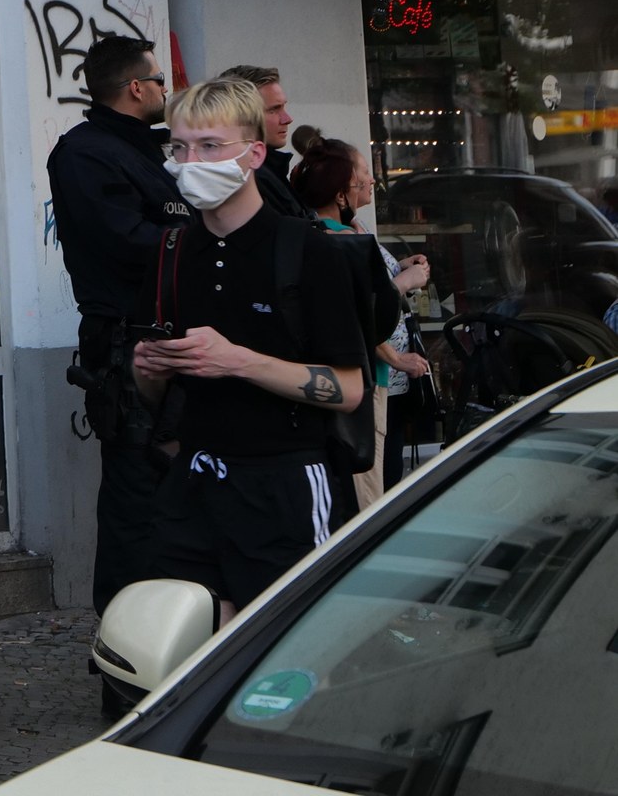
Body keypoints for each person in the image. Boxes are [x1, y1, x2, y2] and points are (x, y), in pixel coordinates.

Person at [132, 77, 372, 619]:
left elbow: (351, 389)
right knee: (181, 638)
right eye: (179, 147)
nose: (190, 161)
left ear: (254, 153)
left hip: (284, 485)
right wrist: (150, 368)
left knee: (280, 646)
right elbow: (151, 391)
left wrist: (237, 361)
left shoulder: (307, 251)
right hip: (193, 480)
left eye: (210, 146)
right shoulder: (171, 251)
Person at [42, 33, 185, 609]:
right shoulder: (85, 153)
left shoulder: (153, 152)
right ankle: (127, 672)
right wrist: (199, 246)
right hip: (131, 352)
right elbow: (127, 242)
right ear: (134, 88)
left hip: (174, 346)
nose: (164, 90)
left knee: (176, 509)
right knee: (137, 514)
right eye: (158, 81)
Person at [289, 137, 431, 511]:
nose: (370, 181)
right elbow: (357, 315)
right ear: (340, 193)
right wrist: (404, 283)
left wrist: (395, 269)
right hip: (363, 381)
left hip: (377, 379)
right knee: (368, 490)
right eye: (363, 175)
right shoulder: (336, 244)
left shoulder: (344, 232)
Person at [216, 65, 305, 214]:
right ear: (241, 116)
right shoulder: (247, 178)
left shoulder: (271, 171)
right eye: (273, 110)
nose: (287, 119)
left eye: (283, 107)